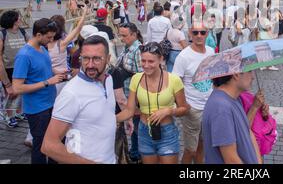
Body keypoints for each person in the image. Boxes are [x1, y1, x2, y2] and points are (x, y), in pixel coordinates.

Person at [41, 36, 116, 164]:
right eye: (85, 58)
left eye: (97, 59)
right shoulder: (72, 93)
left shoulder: (108, 79)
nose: (90, 65)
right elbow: (49, 145)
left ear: (108, 59)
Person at [117, 42, 190, 164]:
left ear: (161, 59)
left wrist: (169, 111)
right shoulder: (136, 79)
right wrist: (109, 119)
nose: (146, 65)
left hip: (167, 132)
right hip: (144, 131)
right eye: (143, 61)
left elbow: (184, 108)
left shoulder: (174, 80)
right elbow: (129, 110)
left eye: (151, 61)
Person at [12, 19, 67, 164]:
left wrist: (58, 72)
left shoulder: (42, 48)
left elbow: (45, 68)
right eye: (48, 37)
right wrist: (48, 82)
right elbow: (17, 87)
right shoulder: (24, 55)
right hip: (37, 109)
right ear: (37, 34)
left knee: (55, 140)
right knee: (41, 145)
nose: (51, 40)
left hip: (50, 103)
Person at [172, 21, 215, 164]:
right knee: (190, 149)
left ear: (207, 34)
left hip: (209, 107)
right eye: (195, 32)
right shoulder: (184, 56)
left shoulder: (210, 51)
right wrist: (183, 105)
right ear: (190, 33)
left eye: (202, 32)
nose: (199, 35)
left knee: (202, 143)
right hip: (193, 109)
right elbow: (175, 82)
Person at [202, 72, 262, 164]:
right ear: (236, 74)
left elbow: (247, 131)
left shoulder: (235, 98)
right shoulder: (221, 108)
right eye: (249, 71)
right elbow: (231, 159)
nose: (253, 77)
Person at [115, 22, 144, 162]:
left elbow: (142, 77)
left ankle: (137, 154)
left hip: (134, 99)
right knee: (133, 128)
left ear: (134, 34)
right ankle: (134, 152)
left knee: (137, 128)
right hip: (126, 96)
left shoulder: (138, 50)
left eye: (124, 35)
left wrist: (137, 102)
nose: (122, 38)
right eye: (120, 35)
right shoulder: (127, 48)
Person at [48, 7, 89, 94]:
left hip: (49, 79)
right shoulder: (62, 44)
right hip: (62, 78)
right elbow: (78, 28)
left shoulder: (43, 45)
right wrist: (84, 13)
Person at [0, 11, 30, 128]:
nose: (21, 19)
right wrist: (6, 83)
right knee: (10, 94)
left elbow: (31, 45)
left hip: (22, 67)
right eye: (19, 17)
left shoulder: (23, 32)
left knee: (21, 92)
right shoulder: (3, 34)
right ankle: (9, 115)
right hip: (8, 68)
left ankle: (19, 113)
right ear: (14, 20)